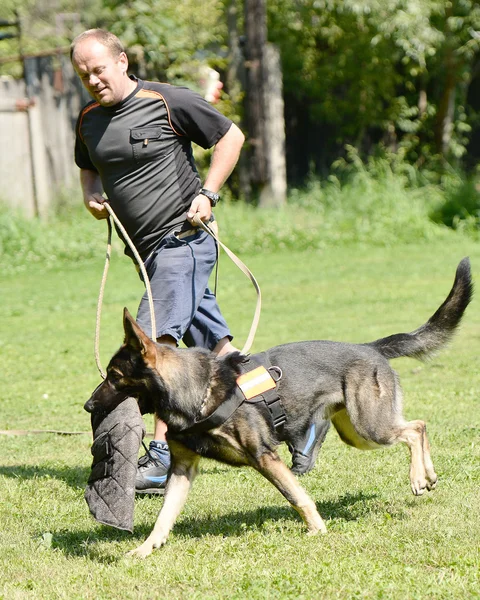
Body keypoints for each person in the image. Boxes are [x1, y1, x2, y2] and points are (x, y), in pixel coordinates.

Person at [71, 29, 244, 494]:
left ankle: (163, 454)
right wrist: (90, 193)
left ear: (122, 61)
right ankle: (289, 415)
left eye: (99, 69)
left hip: (183, 241)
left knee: (153, 348)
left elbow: (231, 136)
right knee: (224, 351)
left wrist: (208, 194)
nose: (93, 80)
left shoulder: (165, 100)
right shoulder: (88, 118)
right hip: (145, 254)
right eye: (84, 74)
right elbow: (88, 162)